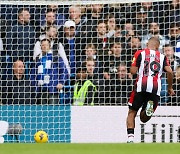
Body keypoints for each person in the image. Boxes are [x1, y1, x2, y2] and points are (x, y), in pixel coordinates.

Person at [126, 37, 175, 143]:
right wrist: (170, 87)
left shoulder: (139, 53)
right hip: (155, 89)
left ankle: (130, 139)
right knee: (144, 119)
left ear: (147, 44)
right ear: (158, 47)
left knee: (132, 112)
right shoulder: (162, 57)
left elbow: (133, 71)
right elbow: (170, 72)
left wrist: (136, 66)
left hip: (140, 87)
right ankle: (148, 109)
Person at [30, 39, 68, 104]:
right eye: (43, 45)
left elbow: (64, 71)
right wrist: (34, 86)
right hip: (41, 90)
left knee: (53, 111)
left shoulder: (55, 57)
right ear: (40, 46)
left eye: (46, 45)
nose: (45, 47)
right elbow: (33, 74)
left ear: (50, 46)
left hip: (52, 89)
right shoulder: (37, 59)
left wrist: (61, 82)